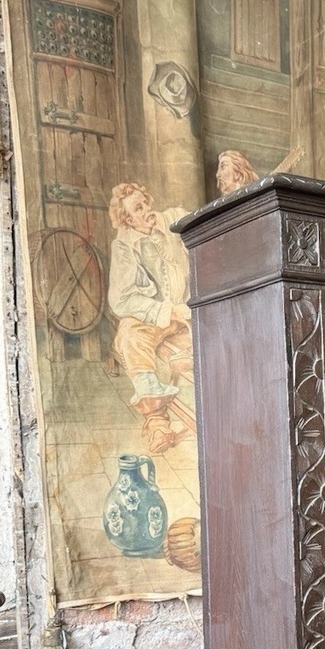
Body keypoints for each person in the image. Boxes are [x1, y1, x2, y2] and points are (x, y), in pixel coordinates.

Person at [107, 182, 191, 454]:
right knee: (130, 336)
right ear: (128, 218)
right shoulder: (124, 246)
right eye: (138, 208)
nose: (147, 211)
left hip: (186, 309)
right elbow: (121, 299)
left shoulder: (170, 220)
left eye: (147, 203)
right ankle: (158, 424)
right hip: (153, 316)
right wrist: (164, 311)